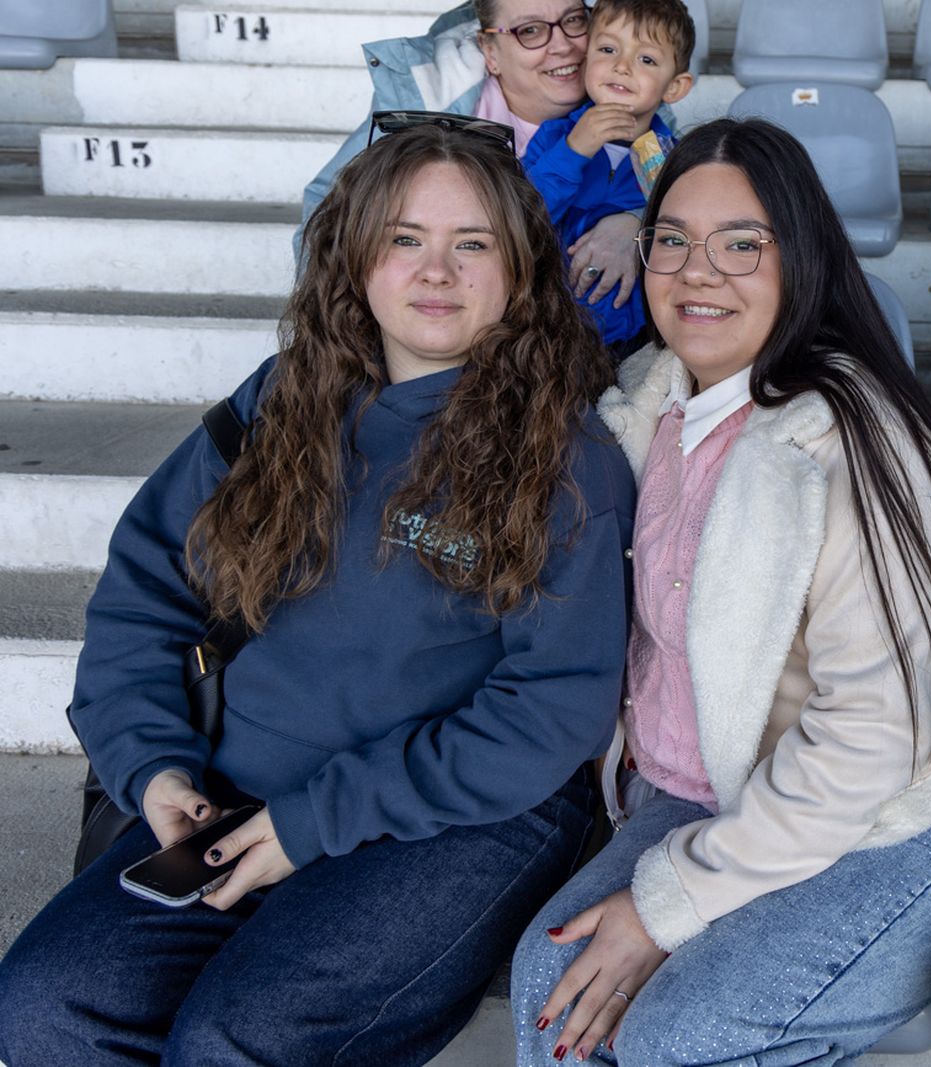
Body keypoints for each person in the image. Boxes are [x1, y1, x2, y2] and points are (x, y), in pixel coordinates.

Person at [0, 121, 635, 1065]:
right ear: (356, 255)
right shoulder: (282, 400)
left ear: (519, 271)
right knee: (45, 1006)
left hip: (459, 816)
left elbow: (552, 710)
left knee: (237, 1039)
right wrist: (155, 768)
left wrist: (314, 822)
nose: (437, 271)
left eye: (473, 244)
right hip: (236, 792)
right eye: (403, 238)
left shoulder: (568, 457)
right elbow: (145, 594)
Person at [509, 118, 931, 1066]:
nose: (699, 271)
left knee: (683, 1036)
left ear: (802, 259)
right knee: (551, 990)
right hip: (713, 788)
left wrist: (663, 905)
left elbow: (868, 744)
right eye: (673, 238)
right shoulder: (645, 404)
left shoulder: (856, 445)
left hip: (907, 813)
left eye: (742, 243)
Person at [300, 0, 657, 318]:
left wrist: (636, 224)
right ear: (490, 51)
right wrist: (336, 323)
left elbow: (673, 184)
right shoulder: (431, 100)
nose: (563, 45)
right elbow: (327, 211)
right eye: (530, 31)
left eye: (575, 21)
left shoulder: (628, 93)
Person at [521, 0, 695, 357]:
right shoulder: (554, 139)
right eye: (607, 49)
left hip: (636, 341)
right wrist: (574, 151)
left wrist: (638, 219)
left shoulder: (678, 160)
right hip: (542, 330)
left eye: (646, 59)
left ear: (674, 87)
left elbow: (688, 238)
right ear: (585, 61)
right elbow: (519, 218)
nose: (621, 66)